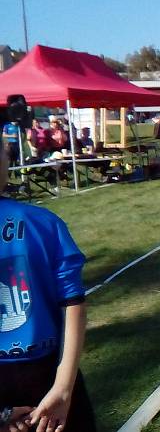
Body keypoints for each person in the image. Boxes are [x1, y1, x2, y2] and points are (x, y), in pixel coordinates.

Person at [0, 137, 96, 431]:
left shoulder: (44, 223)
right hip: (48, 371)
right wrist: (64, 387)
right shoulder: (43, 223)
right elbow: (72, 303)